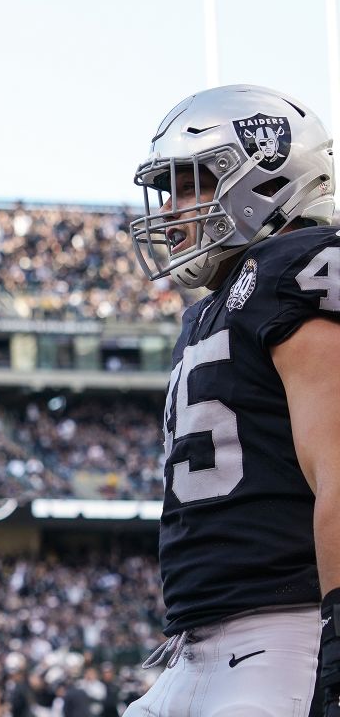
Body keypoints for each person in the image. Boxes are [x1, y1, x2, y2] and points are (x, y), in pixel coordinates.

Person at [124, 83, 340, 715]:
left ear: (268, 174)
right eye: (168, 189)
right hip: (194, 646)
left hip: (285, 634)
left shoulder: (295, 269)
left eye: (192, 183)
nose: (173, 209)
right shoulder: (210, 309)